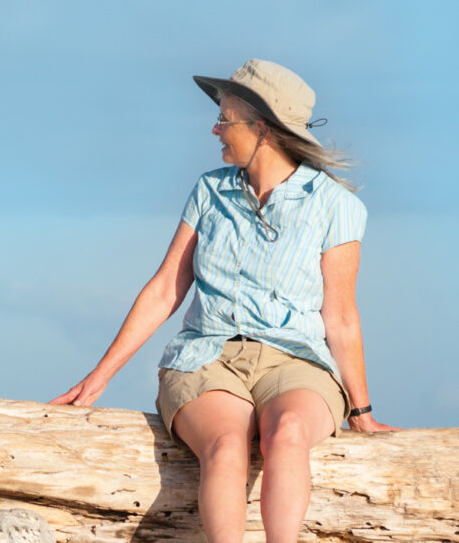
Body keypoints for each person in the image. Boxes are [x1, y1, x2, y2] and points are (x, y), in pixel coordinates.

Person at [51, 59, 397, 543]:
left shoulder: (335, 206)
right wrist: (97, 378)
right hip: (206, 357)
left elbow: (339, 315)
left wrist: (361, 413)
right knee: (226, 446)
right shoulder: (209, 191)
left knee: (289, 432)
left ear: (263, 128)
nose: (214, 128)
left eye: (225, 118)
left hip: (296, 360)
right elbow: (166, 287)